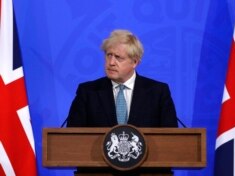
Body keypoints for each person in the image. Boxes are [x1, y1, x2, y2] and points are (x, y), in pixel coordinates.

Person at [66, 29, 178, 175]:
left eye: (118, 57)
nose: (111, 62)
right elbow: (72, 138)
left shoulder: (157, 92)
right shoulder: (88, 92)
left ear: (135, 62)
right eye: (109, 55)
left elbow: (172, 138)